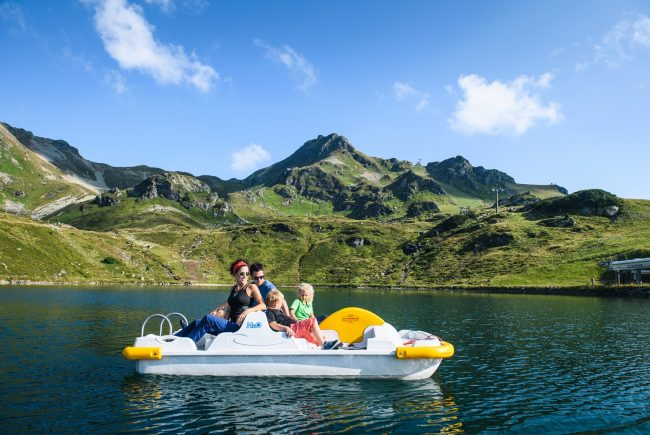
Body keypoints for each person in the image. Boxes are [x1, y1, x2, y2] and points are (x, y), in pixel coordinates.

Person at [175, 259, 266, 342]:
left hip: (239, 326)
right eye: (242, 274)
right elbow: (229, 308)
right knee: (196, 322)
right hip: (230, 324)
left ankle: (186, 343)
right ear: (235, 274)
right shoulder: (233, 288)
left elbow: (263, 305)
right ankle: (174, 339)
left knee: (208, 318)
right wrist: (223, 326)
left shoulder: (251, 287)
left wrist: (247, 311)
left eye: (247, 274)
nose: (245, 276)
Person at [265, 289, 339, 350]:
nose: (282, 303)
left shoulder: (278, 311)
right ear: (276, 303)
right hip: (292, 328)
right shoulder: (270, 312)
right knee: (312, 321)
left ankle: (325, 344)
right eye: (281, 302)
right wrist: (286, 328)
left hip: (294, 326)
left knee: (311, 333)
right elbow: (273, 324)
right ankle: (324, 344)